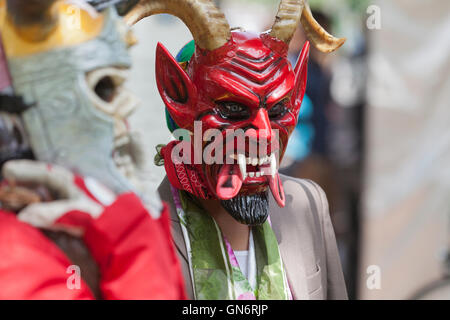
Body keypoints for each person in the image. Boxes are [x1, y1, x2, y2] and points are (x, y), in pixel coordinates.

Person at [126, 0, 348, 299]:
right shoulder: (140, 236)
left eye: (278, 109)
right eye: (231, 109)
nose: (264, 135)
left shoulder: (307, 206)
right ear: (177, 96)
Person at [0, 0, 186, 299]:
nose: (129, 105)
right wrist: (132, 235)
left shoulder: (78, 226)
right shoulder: (12, 254)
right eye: (104, 88)